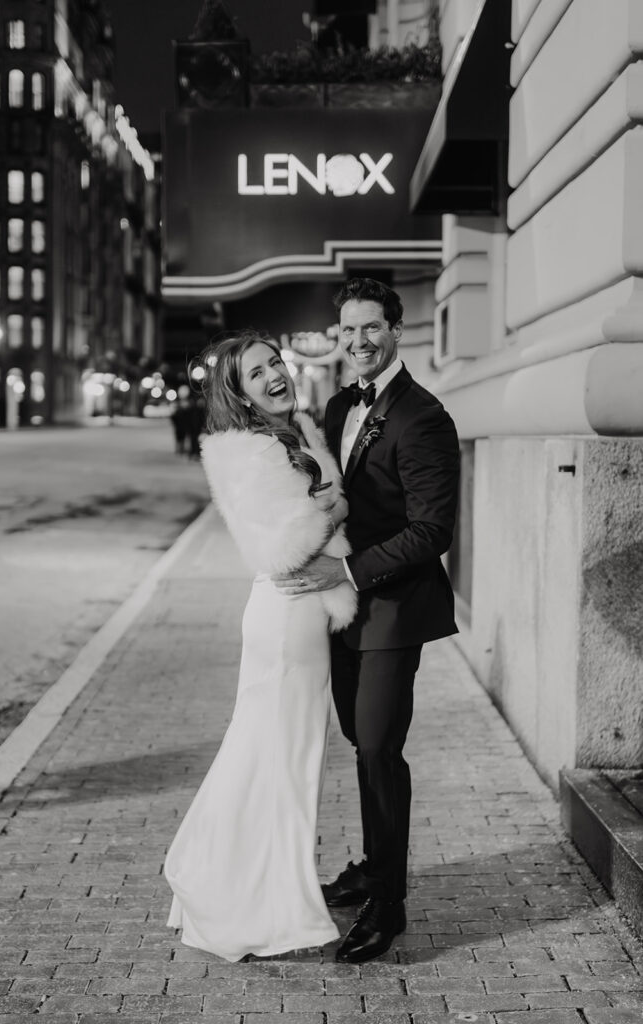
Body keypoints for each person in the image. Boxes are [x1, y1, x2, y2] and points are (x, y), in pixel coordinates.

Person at [274, 278, 460, 964]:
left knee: (380, 747)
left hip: (392, 607)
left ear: (396, 330)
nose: (357, 341)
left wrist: (347, 572)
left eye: (370, 328)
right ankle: (373, 865)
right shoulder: (334, 407)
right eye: (348, 330)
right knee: (358, 735)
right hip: (339, 607)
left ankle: (389, 904)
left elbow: (431, 529)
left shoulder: (423, 417)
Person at [164, 330, 357, 962]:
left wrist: (328, 506)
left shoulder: (295, 431)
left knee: (286, 757)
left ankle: (241, 877)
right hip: (283, 616)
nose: (275, 374)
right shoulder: (244, 451)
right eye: (257, 372)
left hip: (305, 616)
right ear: (239, 394)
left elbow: (312, 526)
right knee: (274, 757)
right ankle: (260, 899)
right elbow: (280, 550)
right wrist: (335, 506)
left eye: (275, 362)